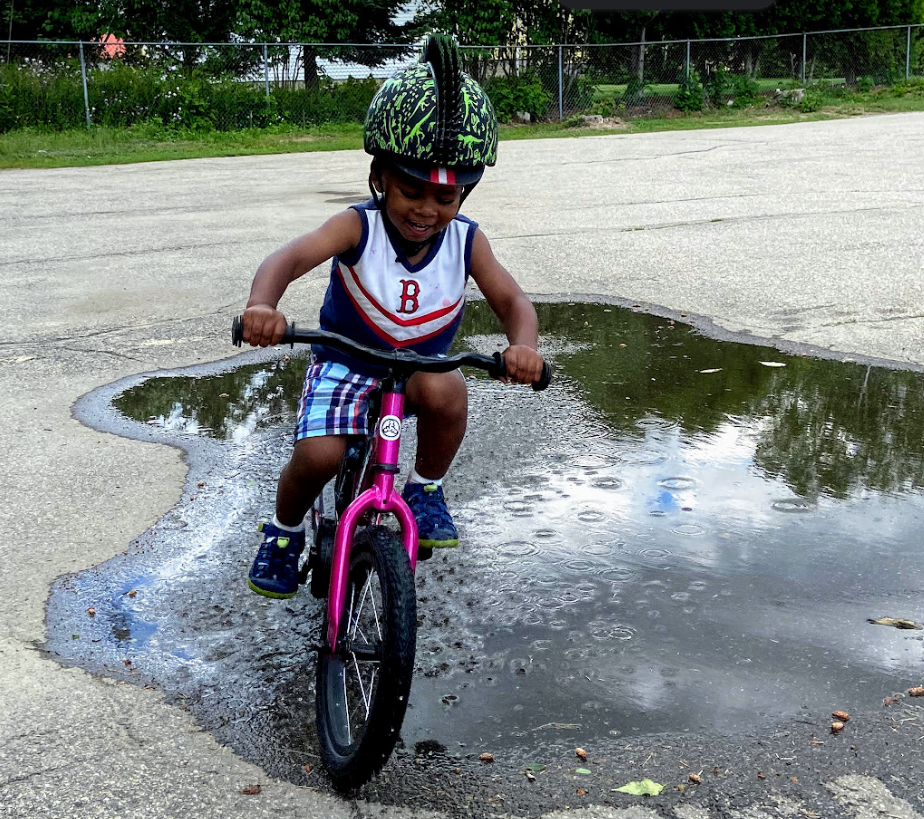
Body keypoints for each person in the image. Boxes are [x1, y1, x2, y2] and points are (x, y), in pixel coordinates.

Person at [241, 34, 546, 599]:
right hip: (347, 360)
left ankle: (424, 489)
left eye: (447, 197)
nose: (428, 209)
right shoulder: (356, 226)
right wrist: (264, 306)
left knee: (449, 391)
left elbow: (513, 302)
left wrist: (522, 346)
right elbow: (289, 257)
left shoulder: (466, 241)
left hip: (420, 366)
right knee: (319, 456)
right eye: (411, 189)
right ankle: (283, 533)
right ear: (380, 175)